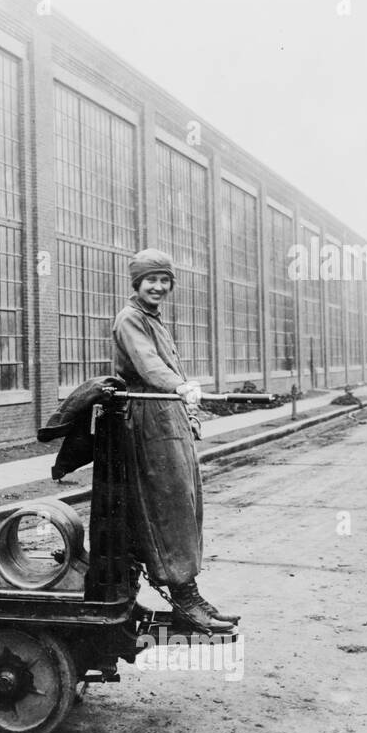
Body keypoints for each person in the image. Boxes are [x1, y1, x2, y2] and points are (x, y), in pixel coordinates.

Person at [111, 248, 237, 633]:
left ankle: (187, 593)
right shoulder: (130, 319)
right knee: (168, 507)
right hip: (150, 421)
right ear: (137, 282)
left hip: (169, 417)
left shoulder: (154, 320)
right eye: (152, 279)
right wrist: (180, 387)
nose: (159, 287)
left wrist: (191, 413)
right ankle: (183, 598)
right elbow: (151, 366)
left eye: (165, 280)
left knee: (185, 502)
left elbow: (170, 368)